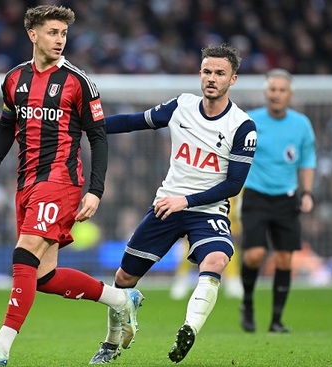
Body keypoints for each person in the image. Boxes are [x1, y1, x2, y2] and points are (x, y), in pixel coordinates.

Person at [0, 5, 143, 367]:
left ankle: (2, 345)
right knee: (43, 276)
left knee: (23, 254)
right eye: (52, 32)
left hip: (60, 181)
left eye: (63, 33)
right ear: (33, 34)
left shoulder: (78, 81)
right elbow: (5, 128)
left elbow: (98, 137)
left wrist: (96, 189)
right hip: (25, 183)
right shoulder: (14, 79)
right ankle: (120, 300)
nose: (60, 40)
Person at [90, 43, 257, 364]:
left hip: (206, 211)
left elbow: (234, 184)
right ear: (199, 74)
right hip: (167, 206)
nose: (212, 78)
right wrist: (87, 126)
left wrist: (188, 201)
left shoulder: (242, 126)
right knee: (123, 279)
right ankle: (110, 344)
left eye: (220, 73)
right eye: (207, 71)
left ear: (232, 79)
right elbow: (134, 121)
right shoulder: (182, 106)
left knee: (217, 259)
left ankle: (189, 329)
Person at [239, 68, 316, 333]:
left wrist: (306, 193)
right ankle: (247, 303)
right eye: (273, 89)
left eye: (282, 90)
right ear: (266, 92)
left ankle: (276, 321)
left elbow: (307, 161)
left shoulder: (301, 124)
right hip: (256, 195)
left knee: (285, 259)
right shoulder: (250, 120)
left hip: (286, 198)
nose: (277, 94)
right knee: (255, 255)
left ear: (289, 94)